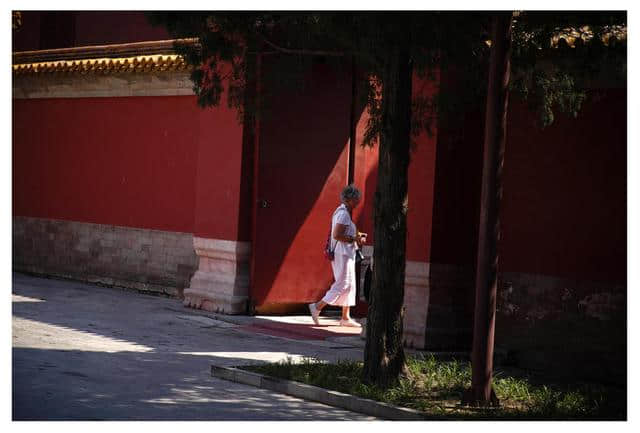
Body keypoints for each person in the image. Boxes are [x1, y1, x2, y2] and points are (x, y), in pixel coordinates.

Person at [309, 184, 367, 327]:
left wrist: (356, 236)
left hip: (346, 253)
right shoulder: (343, 214)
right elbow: (337, 235)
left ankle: (345, 317)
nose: (358, 202)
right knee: (343, 283)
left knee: (350, 284)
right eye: (356, 199)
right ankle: (317, 307)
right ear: (349, 199)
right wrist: (355, 239)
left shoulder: (343, 212)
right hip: (343, 253)